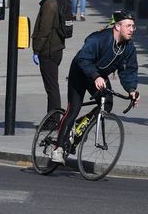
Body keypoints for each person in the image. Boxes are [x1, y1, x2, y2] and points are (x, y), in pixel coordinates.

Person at [52, 9, 140, 164]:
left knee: (108, 103)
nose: (132, 29)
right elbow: (84, 58)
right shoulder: (100, 39)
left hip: (98, 76)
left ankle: (80, 127)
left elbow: (129, 71)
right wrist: (96, 76)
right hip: (80, 72)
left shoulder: (128, 48)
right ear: (118, 26)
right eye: (128, 26)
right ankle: (58, 149)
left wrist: (132, 90)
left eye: (133, 26)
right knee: (73, 109)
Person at [31, 0, 65, 120]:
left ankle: (54, 120)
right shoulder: (57, 1)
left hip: (49, 51)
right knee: (52, 87)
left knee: (51, 88)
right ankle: (52, 118)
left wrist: (36, 50)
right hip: (56, 49)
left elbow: (44, 30)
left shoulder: (49, 4)